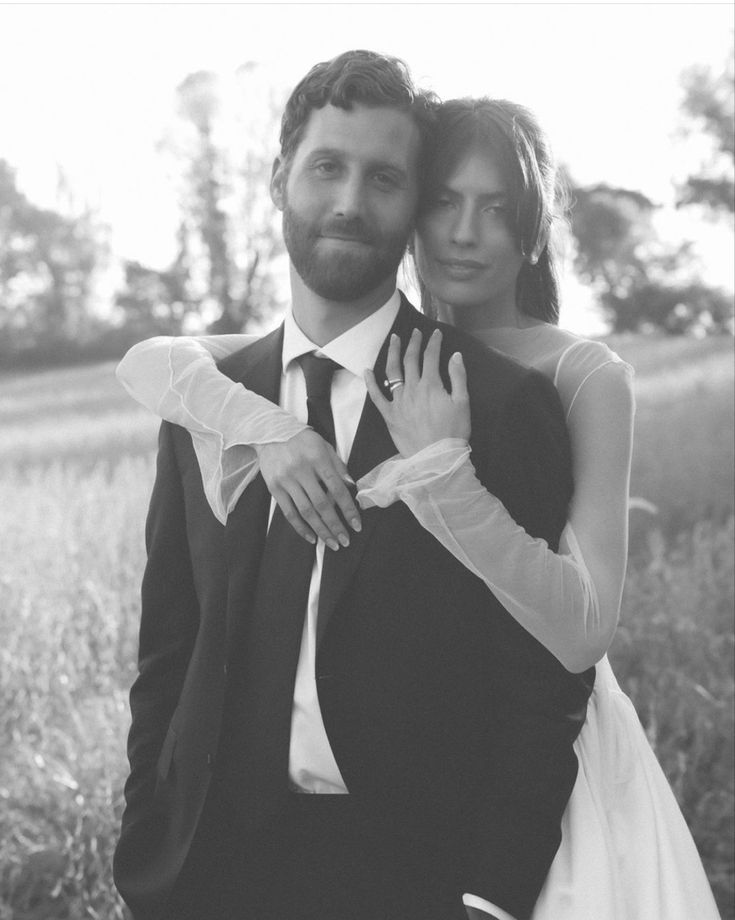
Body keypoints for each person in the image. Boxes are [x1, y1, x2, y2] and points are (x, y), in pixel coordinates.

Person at [117, 90, 721, 919]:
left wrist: (441, 467)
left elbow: (572, 641)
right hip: (240, 858)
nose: (464, 233)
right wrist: (261, 427)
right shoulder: (264, 377)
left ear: (531, 227)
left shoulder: (554, 384)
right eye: (444, 202)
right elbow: (161, 366)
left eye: (496, 209)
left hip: (490, 806)